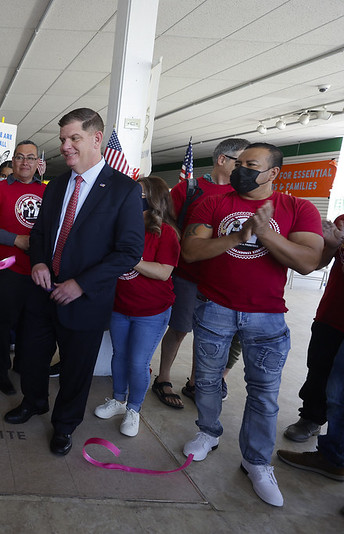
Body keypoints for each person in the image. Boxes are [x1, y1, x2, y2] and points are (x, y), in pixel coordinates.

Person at [180, 142, 323, 507]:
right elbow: (192, 251)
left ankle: (257, 462)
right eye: (238, 162)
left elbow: (307, 261)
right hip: (215, 308)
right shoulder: (213, 202)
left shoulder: (298, 208)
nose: (240, 169)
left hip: (267, 316)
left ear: (274, 172)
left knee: (264, 393)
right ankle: (208, 432)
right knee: (207, 381)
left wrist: (267, 233)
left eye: (251, 164)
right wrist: (238, 236)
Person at [3, 108, 144, 458]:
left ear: (97, 139)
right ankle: (34, 403)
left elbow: (128, 251)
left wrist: (80, 284)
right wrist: (37, 260)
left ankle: (65, 426)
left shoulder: (124, 190)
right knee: (31, 359)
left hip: (85, 300)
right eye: (63, 139)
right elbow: (39, 233)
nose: (65, 146)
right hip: (42, 292)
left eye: (74, 138)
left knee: (76, 370)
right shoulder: (56, 186)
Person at [151, 138, 249, 409]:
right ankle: (164, 378)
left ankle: (195, 382)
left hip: (222, 278)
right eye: (239, 162)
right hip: (187, 274)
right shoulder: (189, 188)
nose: (244, 169)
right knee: (180, 328)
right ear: (222, 160)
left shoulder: (240, 195)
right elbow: (167, 224)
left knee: (209, 334)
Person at [93, 175, 180, 437]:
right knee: (118, 355)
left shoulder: (166, 232)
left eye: (137, 194)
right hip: (120, 306)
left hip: (151, 311)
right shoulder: (120, 227)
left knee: (138, 362)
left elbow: (163, 272)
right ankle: (118, 400)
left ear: (151, 199)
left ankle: (134, 409)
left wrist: (131, 259)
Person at [0, 140, 47, 395]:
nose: (25, 162)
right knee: (3, 322)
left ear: (37, 163)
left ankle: (22, 365)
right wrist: (17, 240)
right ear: (13, 161)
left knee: (30, 323)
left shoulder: (48, 192)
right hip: (8, 268)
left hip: (38, 269)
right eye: (20, 157)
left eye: (30, 158)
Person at [283, 215, 344, 442]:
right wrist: (331, 245)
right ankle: (311, 418)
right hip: (330, 315)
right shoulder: (342, 221)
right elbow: (319, 264)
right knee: (318, 370)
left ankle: (336, 442)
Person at [277, 336, 344, 482]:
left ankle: (334, 458)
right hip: (332, 319)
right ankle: (312, 417)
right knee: (320, 363)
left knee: (339, 392)